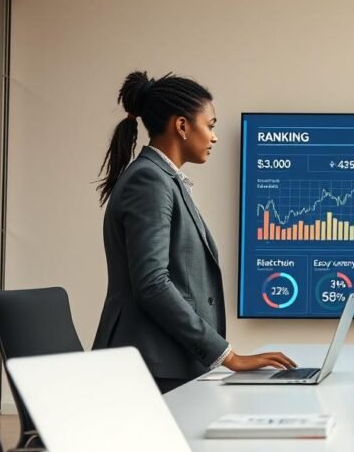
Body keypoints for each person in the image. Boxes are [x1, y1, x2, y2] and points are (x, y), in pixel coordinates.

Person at [92, 71, 296, 393]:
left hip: (165, 361)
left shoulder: (162, 179)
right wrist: (228, 356)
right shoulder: (150, 181)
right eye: (210, 125)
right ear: (182, 126)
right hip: (150, 367)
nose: (214, 137)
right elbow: (152, 283)